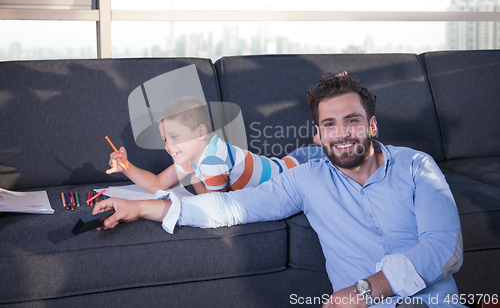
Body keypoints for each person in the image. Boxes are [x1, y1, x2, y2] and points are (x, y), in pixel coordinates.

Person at [94, 73, 464, 308]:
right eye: (330, 124)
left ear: (372, 124)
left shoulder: (418, 166)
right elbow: (229, 207)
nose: (343, 133)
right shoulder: (306, 179)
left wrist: (366, 291)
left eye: (352, 121)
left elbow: (445, 249)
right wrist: (143, 208)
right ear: (318, 134)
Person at [107, 96, 322, 195]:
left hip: (301, 169)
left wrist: (195, 182)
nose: (167, 146)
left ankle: (324, 136)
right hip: (295, 162)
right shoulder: (193, 155)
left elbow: (216, 203)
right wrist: (126, 167)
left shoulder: (212, 160)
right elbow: (158, 183)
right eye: (165, 139)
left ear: (201, 132)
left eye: (174, 137)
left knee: (352, 158)